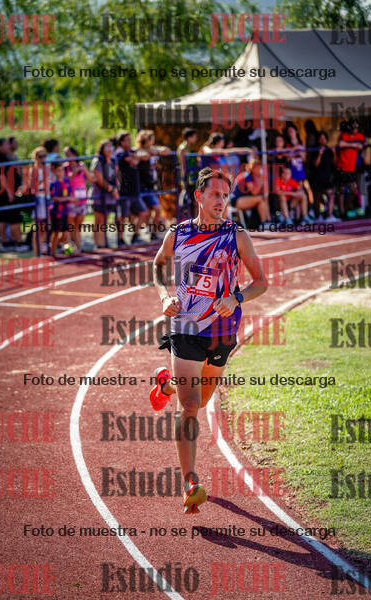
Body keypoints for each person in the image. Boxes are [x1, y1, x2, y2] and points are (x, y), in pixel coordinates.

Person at [150, 167, 268, 514]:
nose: (221, 201)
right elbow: (158, 266)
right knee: (189, 406)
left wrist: (236, 297)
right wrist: (164, 296)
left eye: (225, 195)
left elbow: (261, 282)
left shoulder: (237, 235)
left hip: (222, 331)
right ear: (199, 196)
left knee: (201, 401)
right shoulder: (178, 233)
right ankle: (190, 483)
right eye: (215, 194)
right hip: (186, 327)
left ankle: (166, 385)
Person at [0, 138, 27, 252]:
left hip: (2, 194)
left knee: (3, 218)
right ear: (0, 147)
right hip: (5, 195)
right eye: (6, 144)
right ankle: (18, 243)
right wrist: (10, 193)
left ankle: (7, 242)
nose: (8, 146)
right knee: (13, 218)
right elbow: (2, 177)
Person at [135, 130, 170, 241]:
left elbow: (167, 150)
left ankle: (152, 233)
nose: (152, 141)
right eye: (150, 139)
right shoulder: (137, 151)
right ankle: (136, 234)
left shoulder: (153, 149)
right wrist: (151, 152)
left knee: (156, 210)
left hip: (150, 186)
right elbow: (143, 156)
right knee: (145, 212)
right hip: (141, 186)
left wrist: (155, 151)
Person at [116, 131, 148, 244]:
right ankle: (120, 239)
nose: (130, 142)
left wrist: (136, 156)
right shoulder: (119, 153)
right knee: (123, 217)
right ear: (121, 142)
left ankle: (135, 235)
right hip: (124, 191)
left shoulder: (132, 152)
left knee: (143, 212)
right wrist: (136, 157)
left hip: (135, 191)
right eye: (127, 140)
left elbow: (144, 156)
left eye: (130, 140)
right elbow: (134, 161)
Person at [90, 140, 120, 248]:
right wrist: (112, 189)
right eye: (107, 147)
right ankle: (99, 244)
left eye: (111, 147)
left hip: (110, 196)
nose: (110, 149)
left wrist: (117, 188)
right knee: (99, 219)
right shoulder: (98, 161)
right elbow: (100, 180)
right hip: (99, 195)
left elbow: (116, 176)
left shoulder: (113, 161)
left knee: (105, 220)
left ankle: (103, 243)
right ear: (102, 149)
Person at [64, 146, 94, 251]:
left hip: (82, 200)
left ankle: (78, 246)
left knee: (78, 225)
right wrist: (73, 173)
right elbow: (64, 181)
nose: (67, 157)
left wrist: (84, 170)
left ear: (75, 155)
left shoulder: (82, 166)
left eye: (69, 154)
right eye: (66, 155)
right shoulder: (65, 168)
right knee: (70, 225)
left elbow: (91, 180)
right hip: (71, 200)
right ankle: (71, 247)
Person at [335, 120, 364, 218]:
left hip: (352, 168)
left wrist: (359, 145)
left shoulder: (359, 136)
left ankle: (348, 207)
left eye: (357, 127)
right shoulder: (344, 135)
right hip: (341, 167)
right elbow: (341, 144)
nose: (355, 129)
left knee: (354, 190)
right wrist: (354, 145)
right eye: (353, 127)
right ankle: (342, 211)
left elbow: (364, 143)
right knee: (341, 190)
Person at [228, 161, 271, 226]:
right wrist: (261, 180)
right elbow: (254, 192)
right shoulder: (247, 176)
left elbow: (263, 192)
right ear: (253, 168)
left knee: (263, 199)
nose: (260, 170)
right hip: (236, 200)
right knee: (261, 198)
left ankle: (267, 221)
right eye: (258, 168)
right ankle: (264, 222)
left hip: (243, 199)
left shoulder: (253, 176)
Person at [285, 124, 314, 216]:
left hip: (300, 170)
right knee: (294, 193)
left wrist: (300, 154)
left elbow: (304, 158)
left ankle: (300, 214)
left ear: (296, 131)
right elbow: (287, 158)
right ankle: (294, 213)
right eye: (289, 131)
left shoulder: (301, 142)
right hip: (292, 171)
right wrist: (296, 151)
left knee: (301, 191)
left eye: (292, 130)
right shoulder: (287, 144)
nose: (290, 133)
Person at [311, 132, 339, 222]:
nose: (322, 140)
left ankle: (330, 215)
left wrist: (334, 153)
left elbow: (335, 163)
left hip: (327, 177)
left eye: (324, 138)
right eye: (321, 138)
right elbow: (315, 164)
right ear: (318, 140)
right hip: (317, 177)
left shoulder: (329, 150)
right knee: (317, 197)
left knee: (331, 195)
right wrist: (320, 154)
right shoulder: (314, 149)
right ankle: (318, 217)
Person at [49, 162, 72, 257]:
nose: (61, 172)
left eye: (62, 170)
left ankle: (67, 251)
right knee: (56, 233)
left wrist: (70, 198)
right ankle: (52, 252)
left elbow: (69, 193)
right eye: (59, 170)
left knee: (66, 233)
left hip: (65, 211)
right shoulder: (54, 184)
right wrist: (68, 198)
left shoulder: (66, 182)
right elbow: (54, 198)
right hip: (57, 212)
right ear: (54, 172)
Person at [30, 146, 50, 254]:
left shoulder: (46, 168)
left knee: (45, 227)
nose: (43, 158)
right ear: (36, 157)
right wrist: (44, 179)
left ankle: (41, 250)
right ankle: (36, 253)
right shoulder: (34, 169)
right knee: (38, 228)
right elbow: (33, 187)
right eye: (40, 156)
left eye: (44, 156)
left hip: (46, 198)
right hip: (39, 198)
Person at [177, 128, 200, 218]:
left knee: (195, 201)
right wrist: (183, 180)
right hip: (188, 178)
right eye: (194, 137)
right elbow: (183, 165)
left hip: (193, 177)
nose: (196, 139)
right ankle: (191, 221)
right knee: (190, 202)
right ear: (189, 137)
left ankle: (195, 220)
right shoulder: (183, 148)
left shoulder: (189, 147)